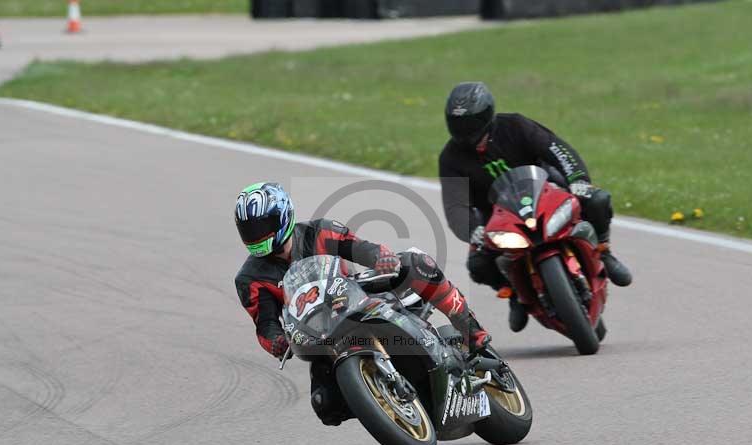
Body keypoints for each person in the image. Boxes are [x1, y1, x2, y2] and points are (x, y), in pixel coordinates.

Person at [234, 182, 491, 426]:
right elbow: (265, 324)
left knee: (417, 263)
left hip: (355, 297)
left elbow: (362, 248)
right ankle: (380, 400)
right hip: (318, 333)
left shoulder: (319, 231)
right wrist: (277, 341)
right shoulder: (250, 278)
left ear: (283, 216)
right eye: (249, 230)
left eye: (262, 226)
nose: (256, 235)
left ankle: (471, 330)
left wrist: (382, 257)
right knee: (326, 406)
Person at [439, 81, 632, 333]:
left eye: (471, 123)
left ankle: (603, 251)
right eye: (458, 124)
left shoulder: (515, 126)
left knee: (598, 200)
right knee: (478, 265)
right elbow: (454, 206)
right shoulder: (450, 158)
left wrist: (578, 180)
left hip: (546, 193)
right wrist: (471, 229)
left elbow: (559, 150)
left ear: (487, 115)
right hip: (498, 217)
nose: (465, 131)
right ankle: (513, 293)